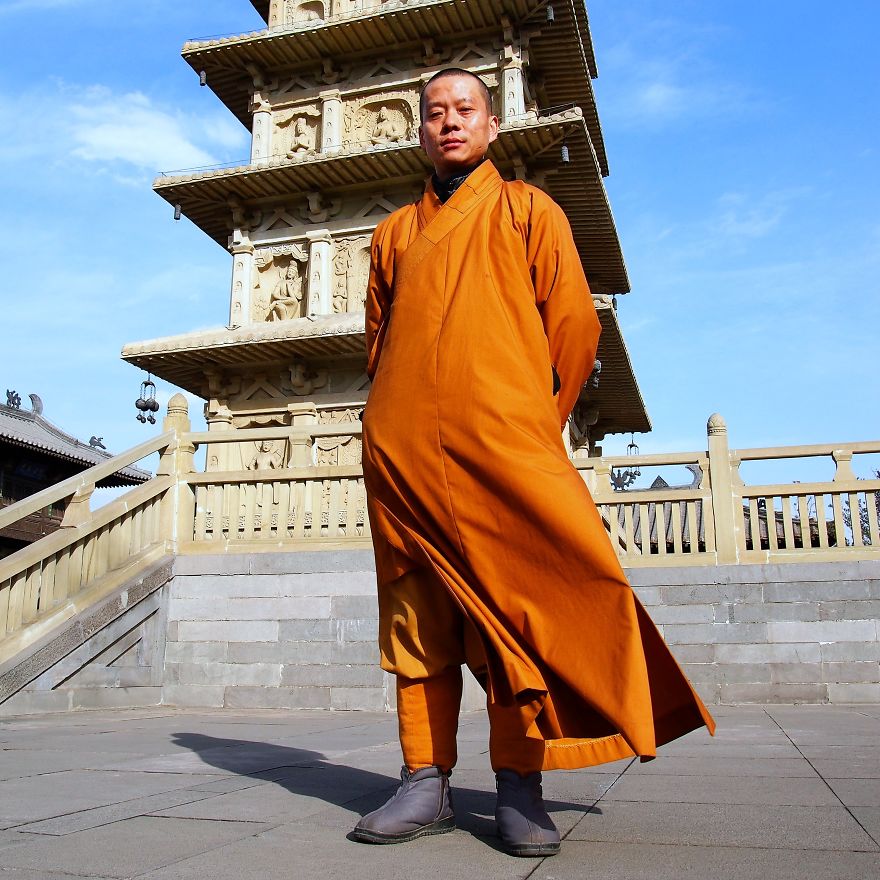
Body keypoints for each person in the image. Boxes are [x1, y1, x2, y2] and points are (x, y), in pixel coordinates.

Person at [353, 67, 714, 857]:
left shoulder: (527, 210)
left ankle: (519, 782)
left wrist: (533, 420)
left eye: (465, 110)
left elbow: (575, 327)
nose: (450, 122)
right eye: (435, 113)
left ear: (492, 126)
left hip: (503, 447)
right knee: (417, 615)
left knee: (514, 614)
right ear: (421, 132)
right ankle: (423, 778)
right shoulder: (392, 235)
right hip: (403, 456)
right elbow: (379, 343)